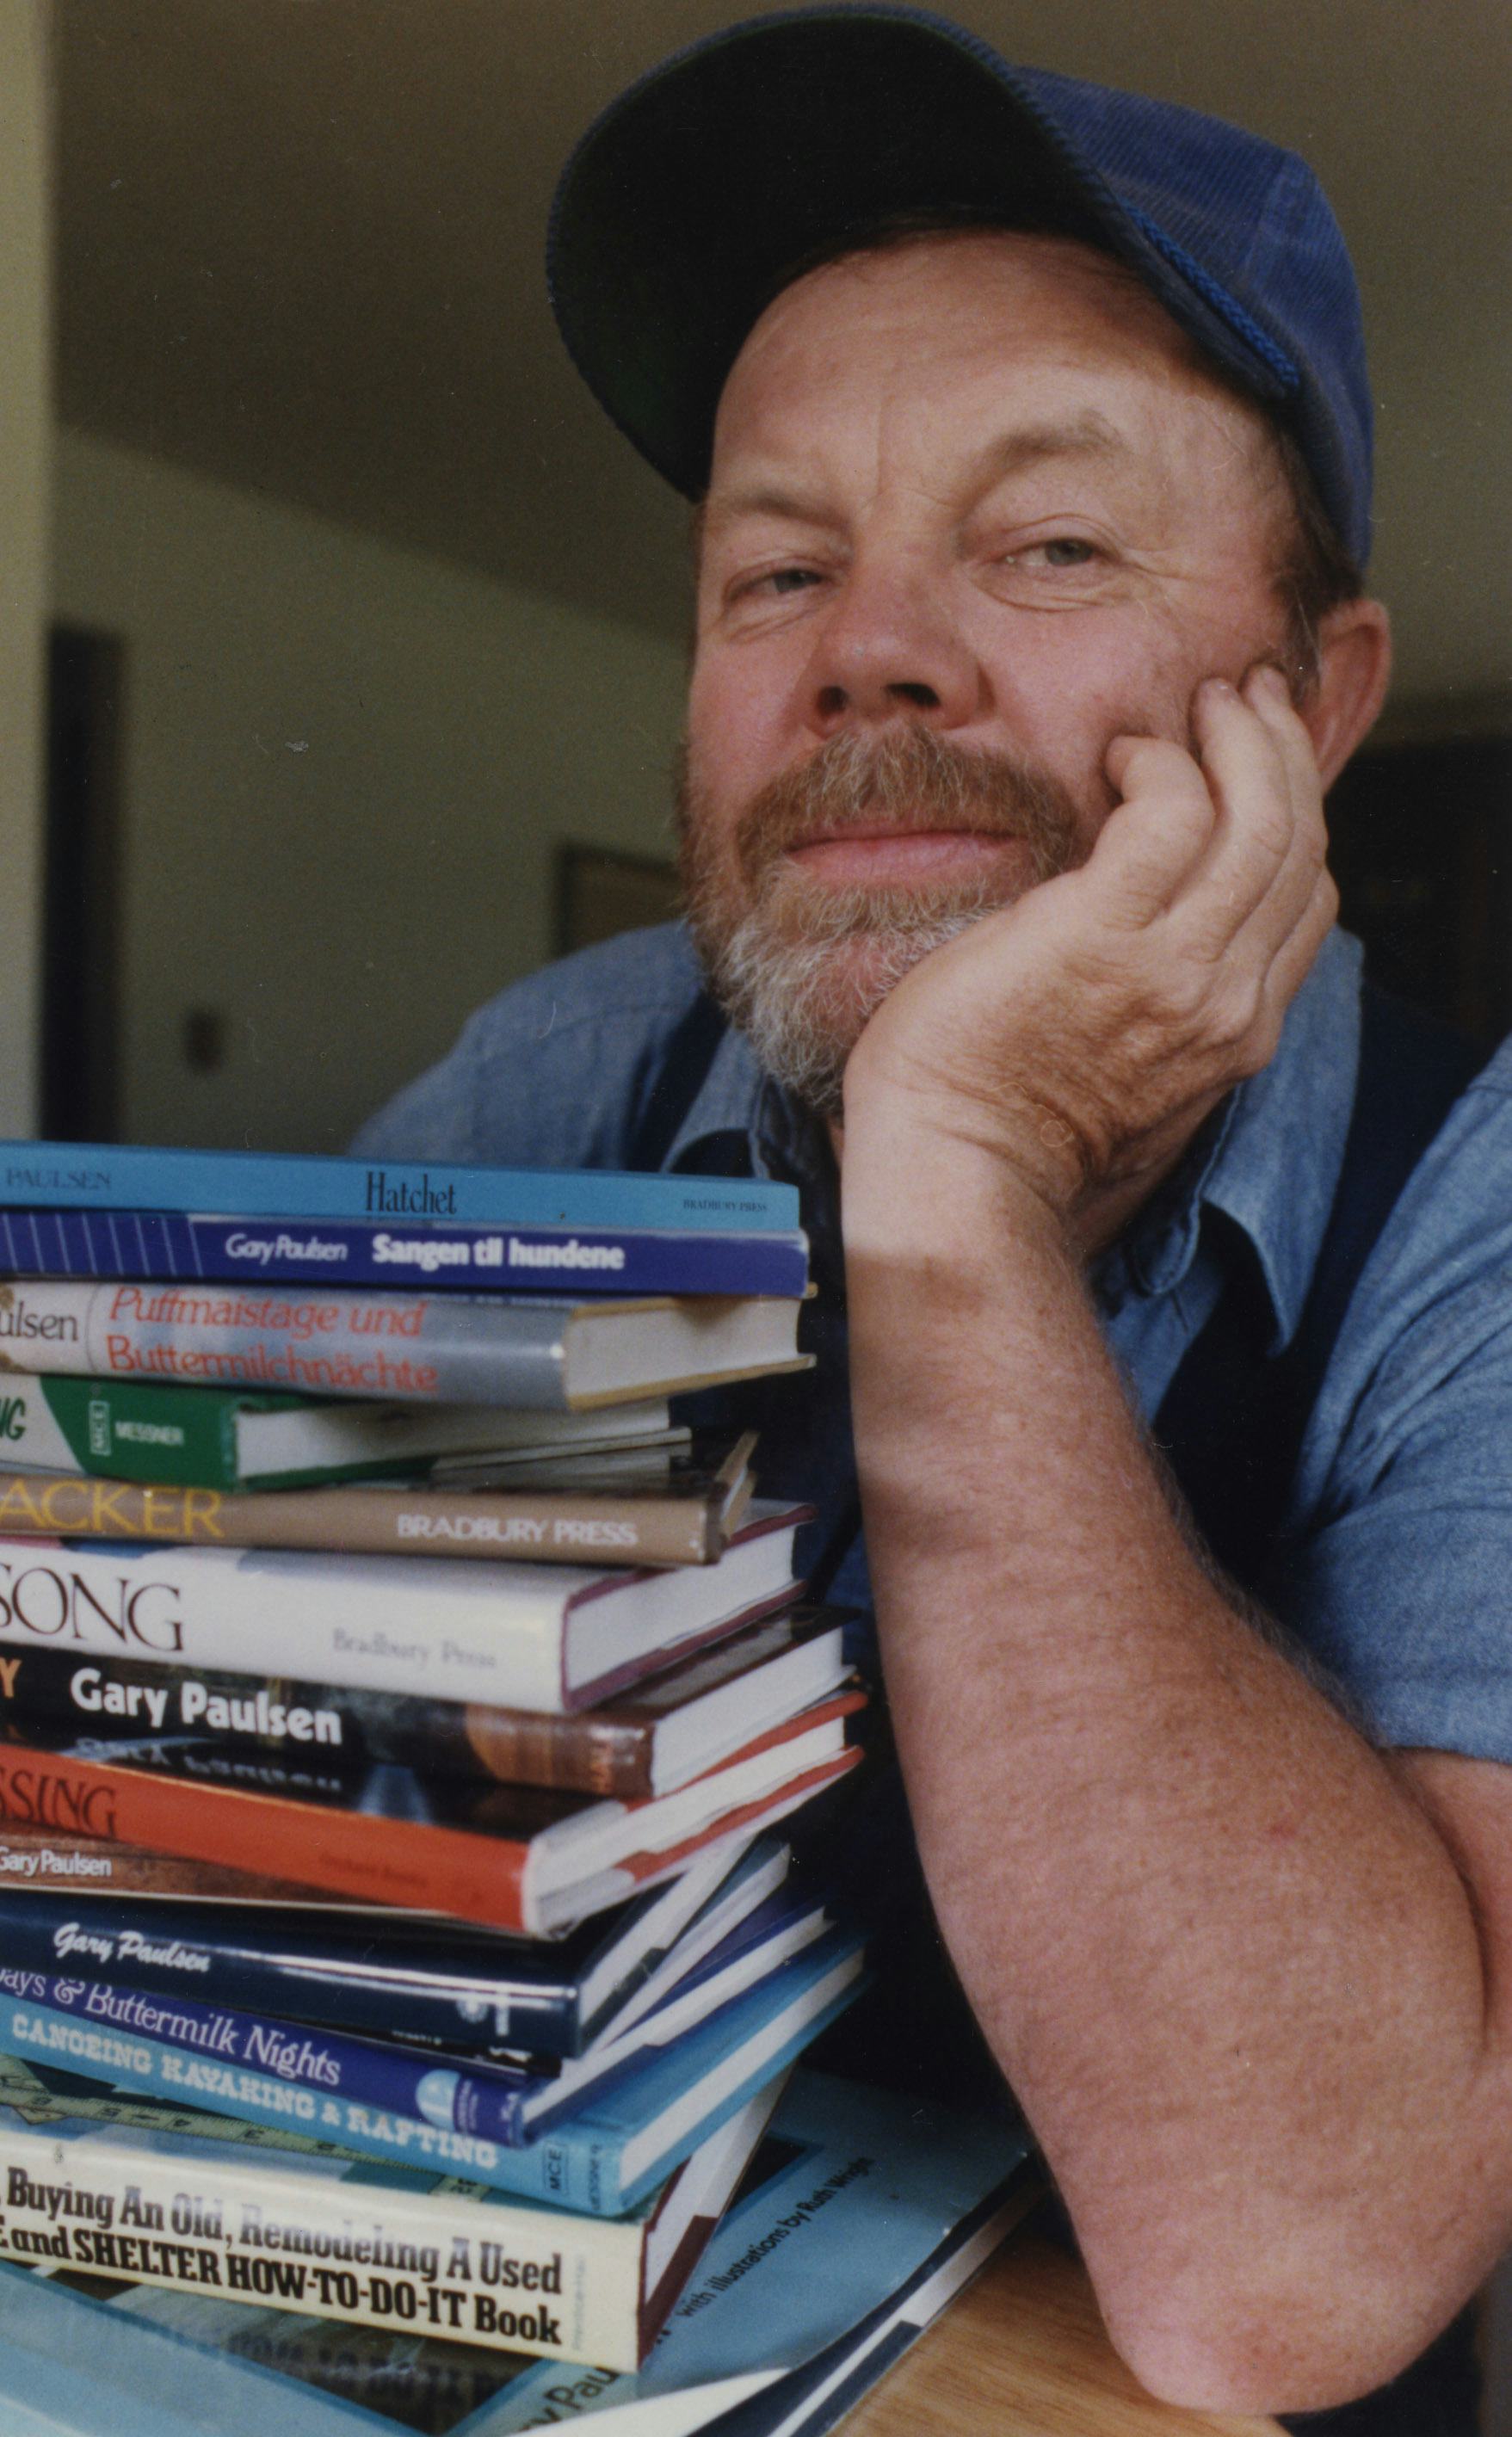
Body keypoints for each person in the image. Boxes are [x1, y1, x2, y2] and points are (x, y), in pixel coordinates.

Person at [357, 12, 1512, 2427]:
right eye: (779, 567)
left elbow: (1286, 2268)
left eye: (1052, 544)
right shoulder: (555, 1080)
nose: (869, 647)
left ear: (1309, 708)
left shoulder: (1481, 1203)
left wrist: (955, 1190)